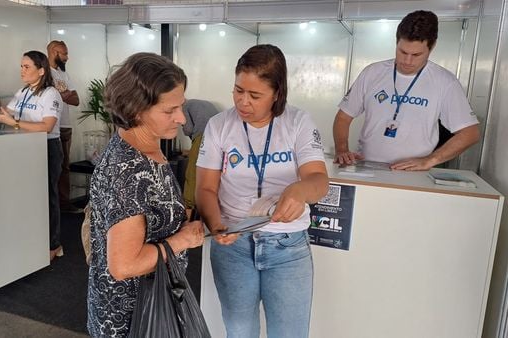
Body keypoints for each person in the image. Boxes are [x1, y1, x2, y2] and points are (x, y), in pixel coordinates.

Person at [196, 44, 329, 338]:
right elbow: (205, 188)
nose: (243, 102)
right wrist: (217, 226)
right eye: (238, 90)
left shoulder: (298, 122)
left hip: (287, 246)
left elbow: (319, 180)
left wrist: (299, 190)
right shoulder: (219, 125)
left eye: (255, 95)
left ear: (277, 93)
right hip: (233, 245)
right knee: (239, 332)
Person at [86, 52, 205, 338]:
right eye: (169, 110)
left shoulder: (147, 149)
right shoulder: (128, 169)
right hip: (133, 318)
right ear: (137, 110)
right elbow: (124, 266)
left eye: (181, 106)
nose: (180, 117)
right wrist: (181, 241)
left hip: (151, 304)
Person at [333, 10, 479, 171]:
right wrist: (342, 149)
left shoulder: (445, 82)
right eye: (402, 52)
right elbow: (343, 118)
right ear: (396, 43)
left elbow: (470, 133)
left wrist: (430, 160)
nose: (407, 61)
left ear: (432, 47)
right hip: (367, 168)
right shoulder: (372, 73)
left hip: (413, 174)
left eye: (416, 54)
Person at [0, 50, 64, 261]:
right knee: (29, 197)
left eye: (26, 67)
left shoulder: (50, 94)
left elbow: (47, 126)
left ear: (41, 70)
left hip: (47, 148)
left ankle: (53, 244)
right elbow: (8, 114)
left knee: (48, 197)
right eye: (21, 66)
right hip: (24, 148)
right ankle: (32, 239)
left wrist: (15, 124)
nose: (22, 71)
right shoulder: (24, 91)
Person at [47, 40, 82, 214]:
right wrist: (64, 95)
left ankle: (64, 204)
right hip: (51, 127)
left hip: (65, 126)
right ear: (54, 52)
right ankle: (53, 206)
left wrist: (62, 95)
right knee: (52, 168)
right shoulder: (45, 73)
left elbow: (76, 99)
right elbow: (49, 97)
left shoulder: (63, 74)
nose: (67, 57)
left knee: (64, 167)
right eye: (64, 53)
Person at [181, 99, 219, 217]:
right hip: (218, 139)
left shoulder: (185, 107)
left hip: (203, 136)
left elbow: (188, 130)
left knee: (192, 174)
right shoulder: (205, 103)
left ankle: (188, 213)